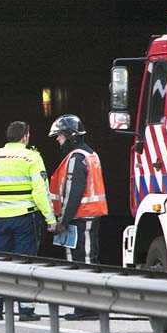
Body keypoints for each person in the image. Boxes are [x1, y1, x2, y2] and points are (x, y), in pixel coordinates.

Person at [0, 121, 57, 322]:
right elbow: (40, 192)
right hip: (24, 217)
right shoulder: (32, 157)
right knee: (25, 263)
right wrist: (50, 218)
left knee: (0, 263)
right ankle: (26, 310)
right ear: (25, 137)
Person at [48, 114, 108, 320]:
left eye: (60, 136)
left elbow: (74, 192)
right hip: (88, 216)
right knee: (88, 258)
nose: (58, 140)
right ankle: (87, 306)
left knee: (81, 261)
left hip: (81, 217)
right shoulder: (91, 154)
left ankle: (86, 308)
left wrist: (62, 222)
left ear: (71, 136)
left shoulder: (77, 157)